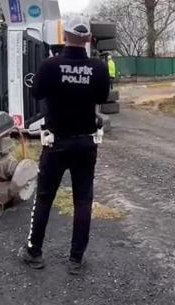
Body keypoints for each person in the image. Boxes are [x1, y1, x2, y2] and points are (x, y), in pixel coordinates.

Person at [19, 15, 110, 276]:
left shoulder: (50, 65)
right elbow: (102, 97)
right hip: (86, 143)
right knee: (83, 200)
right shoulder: (99, 68)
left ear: (64, 36)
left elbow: (36, 92)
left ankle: (34, 252)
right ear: (88, 39)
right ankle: (75, 259)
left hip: (56, 143)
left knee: (45, 197)